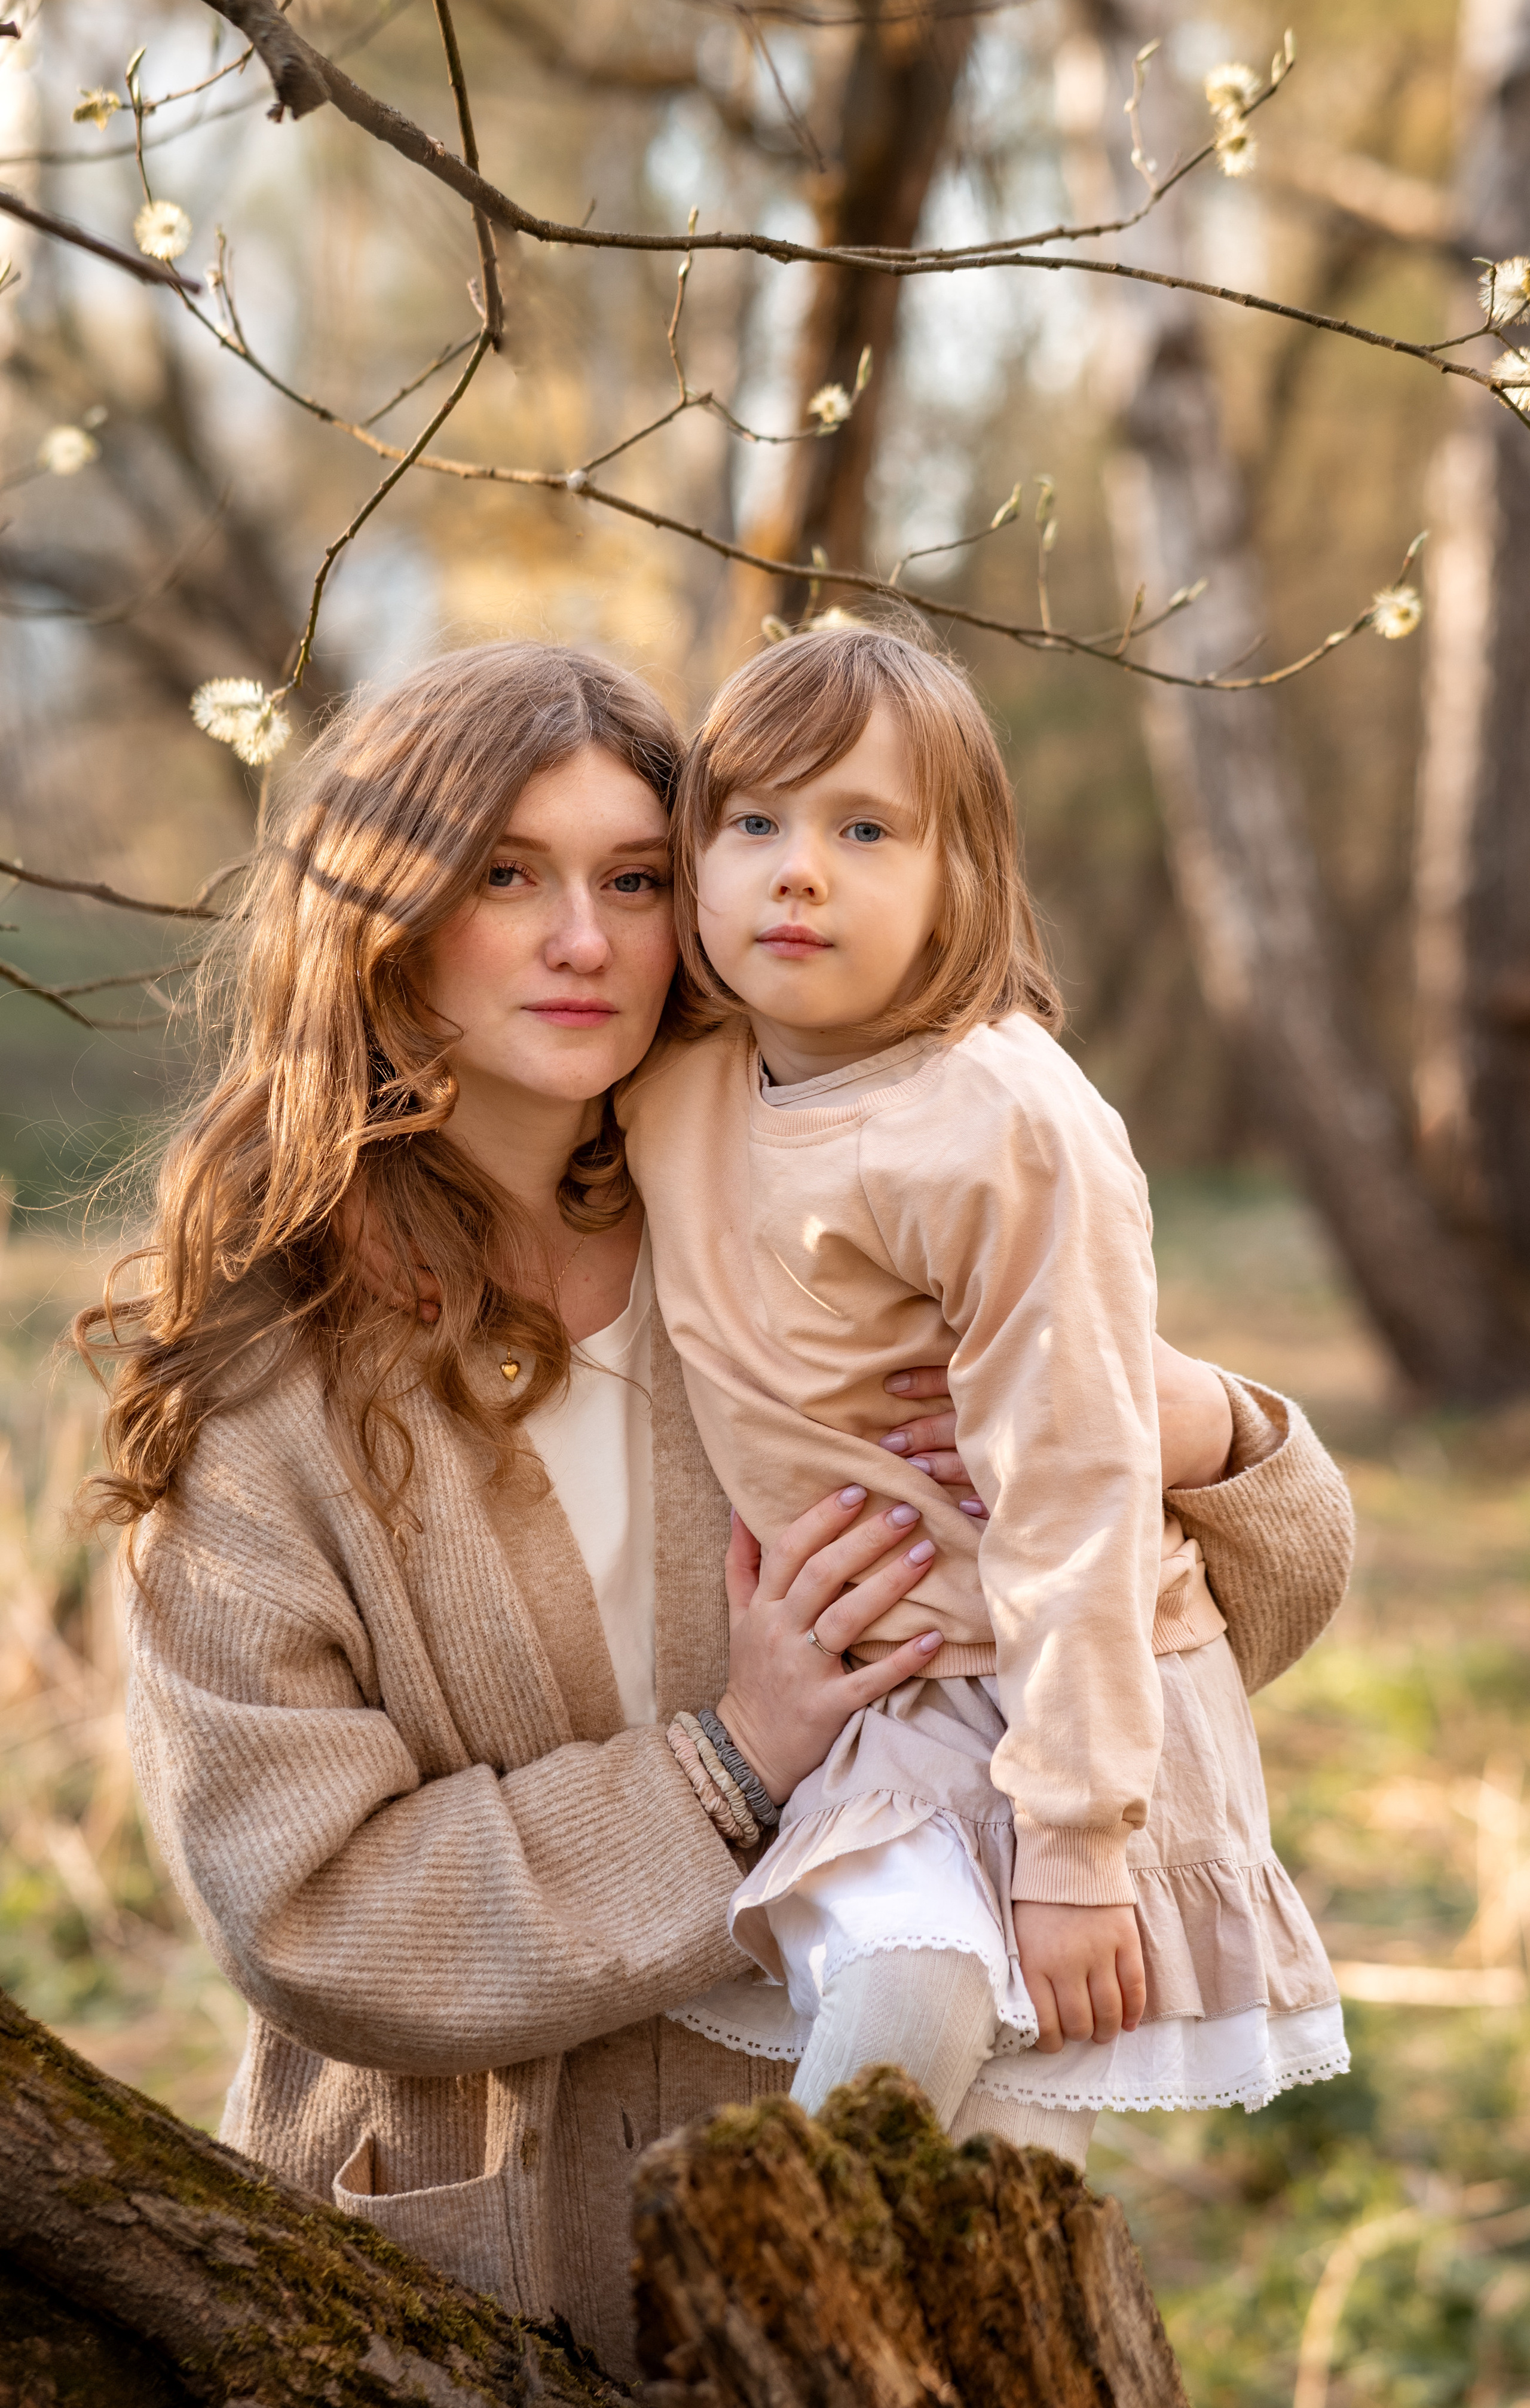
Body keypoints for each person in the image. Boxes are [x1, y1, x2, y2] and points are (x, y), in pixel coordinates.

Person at [79, 640, 1352, 2379]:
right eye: (507, 876)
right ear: (379, 918)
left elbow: (1215, 1597)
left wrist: (1187, 1414)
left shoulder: (787, 1221)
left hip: (843, 2300)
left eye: (633, 876)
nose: (585, 937)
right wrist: (730, 1766)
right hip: (460, 2275)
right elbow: (307, 1906)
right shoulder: (264, 1395)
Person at [622, 623, 1350, 2177]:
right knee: (916, 2010)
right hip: (880, 1691)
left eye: (864, 829)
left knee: (987, 2119)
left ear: (966, 874)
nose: (795, 870)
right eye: (751, 821)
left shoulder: (1000, 1123)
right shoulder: (681, 1075)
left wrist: (1081, 1848)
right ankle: (789, 2306)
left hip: (1051, 1686)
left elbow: (1081, 1483)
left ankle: (792, 2305)